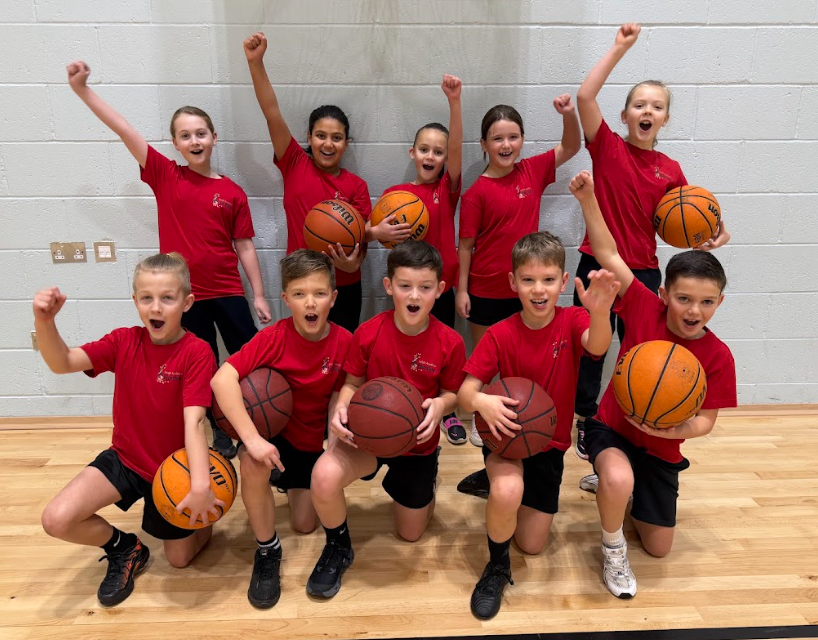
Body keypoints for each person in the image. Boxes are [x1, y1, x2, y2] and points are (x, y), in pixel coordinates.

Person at [66, 60, 271, 459]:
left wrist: (259, 295)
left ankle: (259, 426)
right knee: (204, 365)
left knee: (248, 359)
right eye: (185, 135)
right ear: (175, 143)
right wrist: (83, 91)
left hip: (228, 291)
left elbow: (245, 246)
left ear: (214, 138)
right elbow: (125, 130)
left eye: (201, 133)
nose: (194, 140)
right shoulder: (166, 175)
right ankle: (220, 431)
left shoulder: (232, 192)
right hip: (184, 298)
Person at [570, 170, 737, 599]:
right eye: (683, 299)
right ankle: (613, 546)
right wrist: (589, 199)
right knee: (618, 479)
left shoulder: (718, 356)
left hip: (662, 447)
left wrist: (669, 430)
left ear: (719, 302)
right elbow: (608, 253)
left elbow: (706, 421)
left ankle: (621, 487)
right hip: (612, 429)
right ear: (663, 295)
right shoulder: (644, 307)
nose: (693, 310)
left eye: (706, 302)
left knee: (659, 548)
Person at [571, 23, 730, 459]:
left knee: (642, 352)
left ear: (665, 119)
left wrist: (715, 234)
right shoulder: (607, 147)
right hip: (597, 263)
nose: (647, 110)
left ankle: (635, 416)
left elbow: (689, 223)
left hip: (642, 271)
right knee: (591, 349)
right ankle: (587, 419)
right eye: (639, 104)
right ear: (624, 116)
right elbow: (585, 97)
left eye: (657, 106)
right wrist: (619, 47)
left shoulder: (671, 170)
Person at [37, 253, 219, 606]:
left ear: (187, 302)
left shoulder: (197, 352)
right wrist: (45, 322)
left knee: (180, 560)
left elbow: (195, 421)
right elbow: (63, 362)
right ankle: (125, 547)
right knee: (56, 519)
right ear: (135, 301)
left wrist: (200, 485)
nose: (156, 307)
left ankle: (205, 520)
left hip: (173, 470)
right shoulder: (123, 341)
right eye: (147, 297)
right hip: (125, 458)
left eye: (167, 298)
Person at [457, 232, 619, 619]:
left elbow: (597, 346)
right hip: (506, 439)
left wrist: (600, 313)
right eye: (528, 280)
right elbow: (465, 392)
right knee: (509, 491)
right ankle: (497, 567)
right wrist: (481, 401)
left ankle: (493, 485)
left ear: (563, 282)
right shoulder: (499, 333)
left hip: (549, 446)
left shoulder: (573, 320)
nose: (538, 289)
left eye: (547, 279)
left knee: (531, 544)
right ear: (513, 282)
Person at [307, 241, 467, 599]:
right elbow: (351, 384)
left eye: (425, 287)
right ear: (389, 286)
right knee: (323, 475)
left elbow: (453, 393)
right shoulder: (368, 333)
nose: (415, 295)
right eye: (405, 285)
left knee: (410, 535)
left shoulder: (451, 341)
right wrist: (342, 408)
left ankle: (427, 482)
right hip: (369, 437)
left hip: (417, 443)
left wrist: (441, 406)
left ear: (440, 289)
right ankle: (338, 546)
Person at [211, 250, 352, 608]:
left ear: (333, 298)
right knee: (251, 462)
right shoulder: (273, 338)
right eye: (300, 294)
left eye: (319, 293)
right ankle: (267, 549)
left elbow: (341, 396)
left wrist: (333, 447)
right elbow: (221, 379)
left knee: (305, 524)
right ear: (286, 299)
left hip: (310, 442)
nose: (310, 302)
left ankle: (287, 481)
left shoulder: (345, 342)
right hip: (274, 438)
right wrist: (252, 439)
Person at [244, 31, 400, 333]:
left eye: (337, 138)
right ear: (309, 137)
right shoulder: (294, 162)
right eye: (321, 136)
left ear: (346, 143)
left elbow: (357, 250)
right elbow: (271, 113)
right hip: (302, 279)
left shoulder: (356, 185)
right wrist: (255, 63)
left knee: (342, 352)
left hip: (344, 282)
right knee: (304, 351)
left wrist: (353, 260)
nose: (328, 144)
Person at [456, 97, 581, 446]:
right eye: (497, 138)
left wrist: (568, 114)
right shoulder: (475, 193)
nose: (506, 144)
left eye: (513, 137)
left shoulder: (533, 170)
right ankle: (483, 419)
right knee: (486, 363)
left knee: (522, 361)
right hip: (485, 290)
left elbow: (572, 145)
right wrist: (462, 290)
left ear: (522, 140)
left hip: (528, 289)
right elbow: (465, 247)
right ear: (484, 144)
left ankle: (526, 414)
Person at [381, 74, 467, 444]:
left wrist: (454, 102)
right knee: (405, 348)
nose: (430, 156)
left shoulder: (447, 189)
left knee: (442, 348)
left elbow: (458, 147)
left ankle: (445, 410)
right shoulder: (394, 195)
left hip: (441, 287)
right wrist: (378, 232)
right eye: (424, 149)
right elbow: (379, 236)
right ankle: (401, 403)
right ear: (412, 153)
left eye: (438, 151)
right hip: (407, 287)